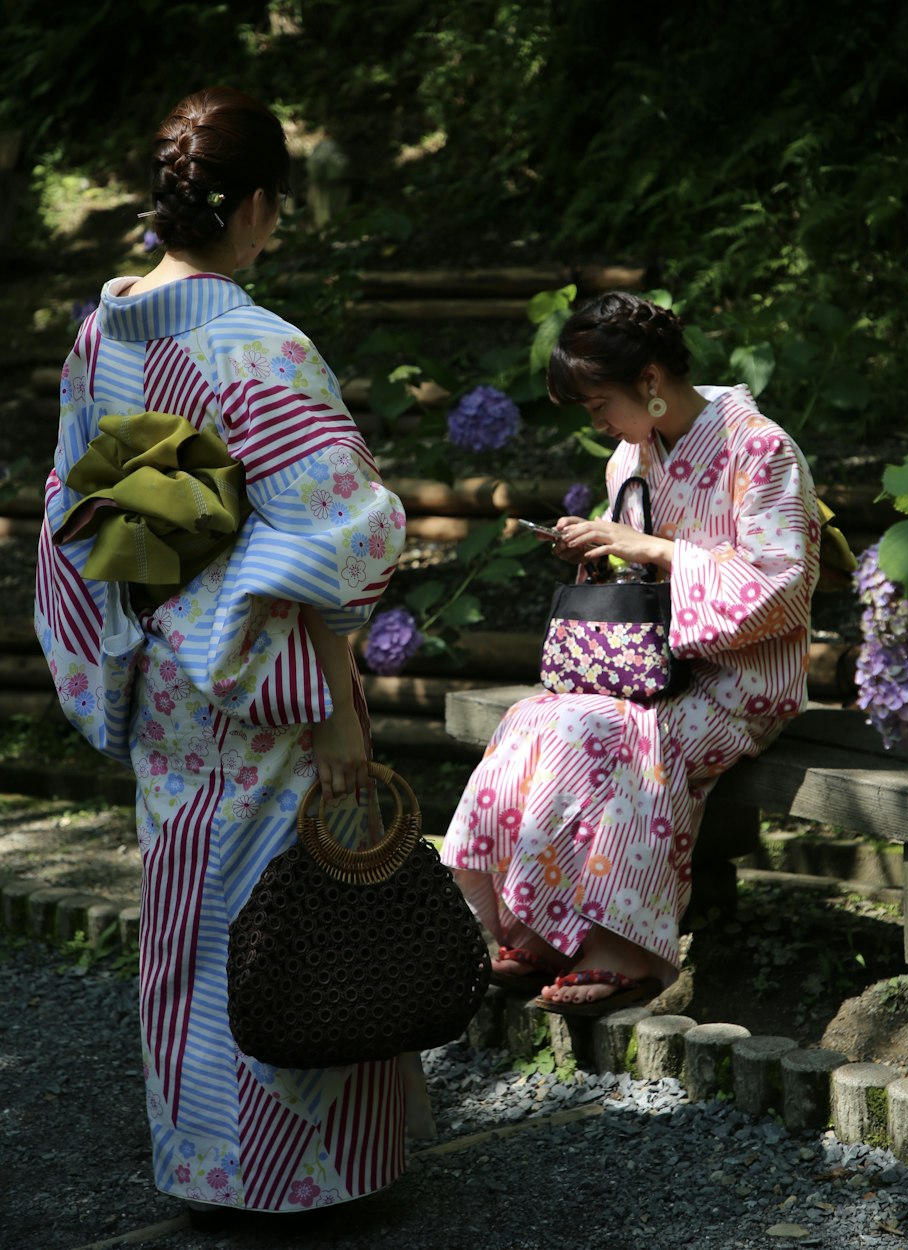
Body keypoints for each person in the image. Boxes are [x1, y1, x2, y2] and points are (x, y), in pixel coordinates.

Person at [34, 87, 411, 1224]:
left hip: (157, 673)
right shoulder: (256, 345)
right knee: (291, 907)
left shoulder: (99, 339)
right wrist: (340, 713)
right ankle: (309, 1177)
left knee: (193, 910)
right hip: (261, 685)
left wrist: (135, 635)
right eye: (274, 209)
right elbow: (333, 537)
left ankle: (201, 1163)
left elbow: (73, 510)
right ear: (253, 206)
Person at [440, 292, 821, 1015]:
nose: (599, 423)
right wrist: (600, 550)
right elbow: (636, 574)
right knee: (535, 719)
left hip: (742, 674)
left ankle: (627, 949)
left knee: (615, 733)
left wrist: (650, 547)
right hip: (650, 665)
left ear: (650, 380)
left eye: (599, 404)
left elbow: (781, 590)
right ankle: (541, 927)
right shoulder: (631, 458)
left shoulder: (760, 448)